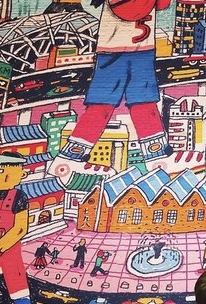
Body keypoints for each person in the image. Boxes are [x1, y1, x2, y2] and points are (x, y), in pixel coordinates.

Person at [48, 0, 172, 185]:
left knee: (139, 104)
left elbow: (161, 5)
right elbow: (132, 10)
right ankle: (69, 159)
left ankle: (157, 156)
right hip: (120, 51)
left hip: (135, 49)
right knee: (107, 105)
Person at [0, 151, 34, 304]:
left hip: (7, 243)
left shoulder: (18, 197)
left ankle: (22, 302)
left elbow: (22, 226)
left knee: (13, 268)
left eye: (1, 172)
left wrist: (8, 239)